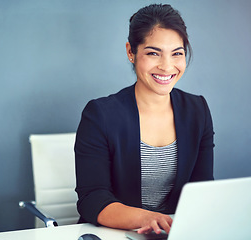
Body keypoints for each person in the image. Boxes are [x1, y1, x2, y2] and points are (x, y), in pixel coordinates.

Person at [74, 4, 214, 235]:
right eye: (153, 53)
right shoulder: (100, 114)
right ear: (131, 52)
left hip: (175, 233)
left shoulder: (197, 110)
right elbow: (92, 198)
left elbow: (202, 189)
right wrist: (147, 218)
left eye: (177, 53)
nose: (167, 66)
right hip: (115, 233)